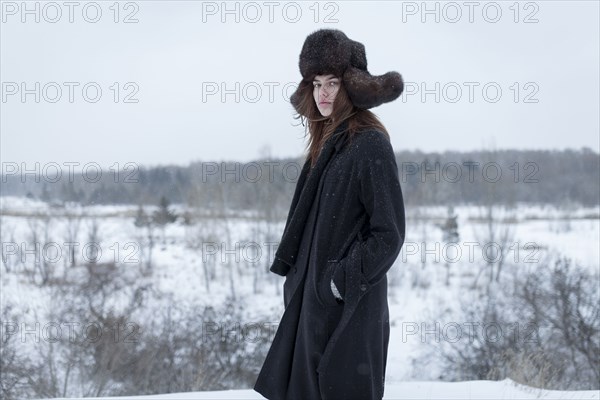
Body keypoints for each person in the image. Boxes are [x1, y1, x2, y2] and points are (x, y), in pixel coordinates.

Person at [254, 28, 406, 400]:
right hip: (312, 310)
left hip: (347, 312)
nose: (323, 92)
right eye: (317, 83)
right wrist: (302, 284)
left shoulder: (369, 144)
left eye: (333, 82)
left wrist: (338, 283)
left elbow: (389, 233)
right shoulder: (325, 145)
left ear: (352, 85)